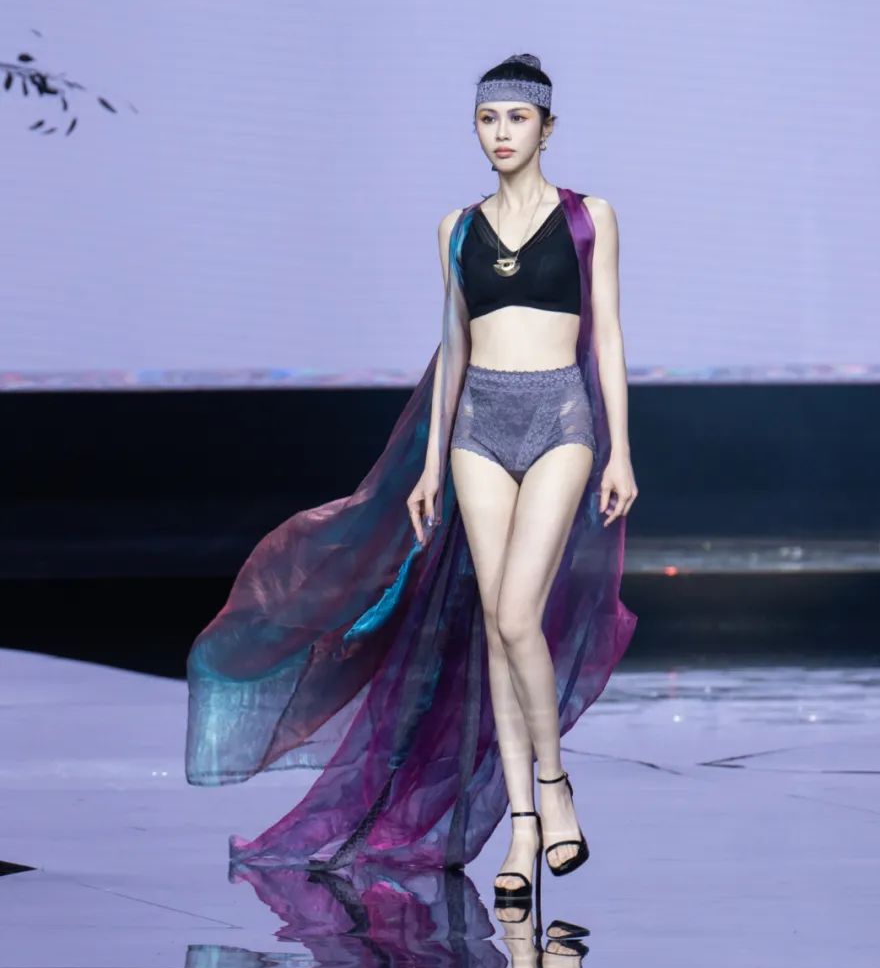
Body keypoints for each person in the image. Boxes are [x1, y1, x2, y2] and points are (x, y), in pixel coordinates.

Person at [185, 54, 638, 895]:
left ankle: (554, 786)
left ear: (547, 127)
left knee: (516, 614)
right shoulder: (456, 229)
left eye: (517, 118)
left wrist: (622, 449)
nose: (501, 133)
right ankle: (522, 833)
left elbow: (606, 334)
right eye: (487, 119)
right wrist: (431, 465)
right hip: (476, 427)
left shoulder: (590, 218)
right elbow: (454, 347)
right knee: (497, 630)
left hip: (561, 418)